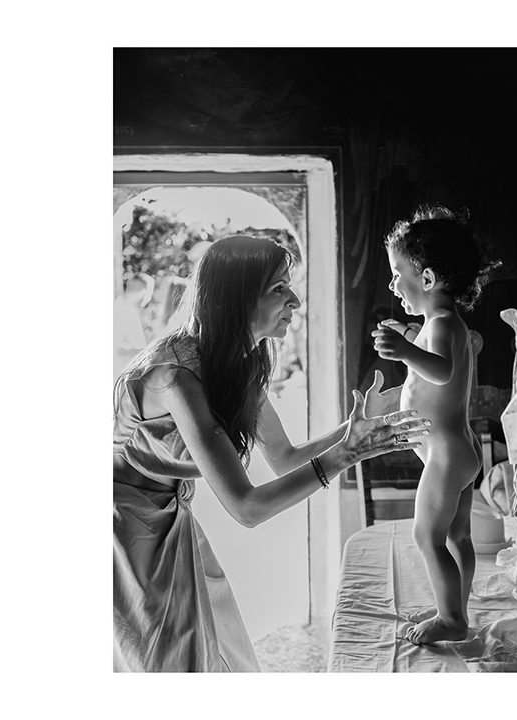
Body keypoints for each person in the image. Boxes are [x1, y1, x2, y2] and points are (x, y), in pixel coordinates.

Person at [114, 235, 431, 672]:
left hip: (168, 516)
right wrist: (345, 455)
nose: (295, 301)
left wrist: (355, 429)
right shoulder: (175, 377)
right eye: (279, 288)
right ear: (236, 300)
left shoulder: (240, 362)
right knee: (166, 662)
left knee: (219, 650)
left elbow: (284, 457)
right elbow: (247, 507)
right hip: (126, 532)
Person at [371, 205, 497, 645]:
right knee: (457, 536)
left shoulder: (442, 324)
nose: (392, 285)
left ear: (426, 279)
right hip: (458, 450)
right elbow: (435, 365)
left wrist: (406, 351)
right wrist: (410, 339)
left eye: (396, 275)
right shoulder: (441, 323)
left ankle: (452, 620)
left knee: (426, 536)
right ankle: (454, 607)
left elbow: (441, 371)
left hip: (445, 455)